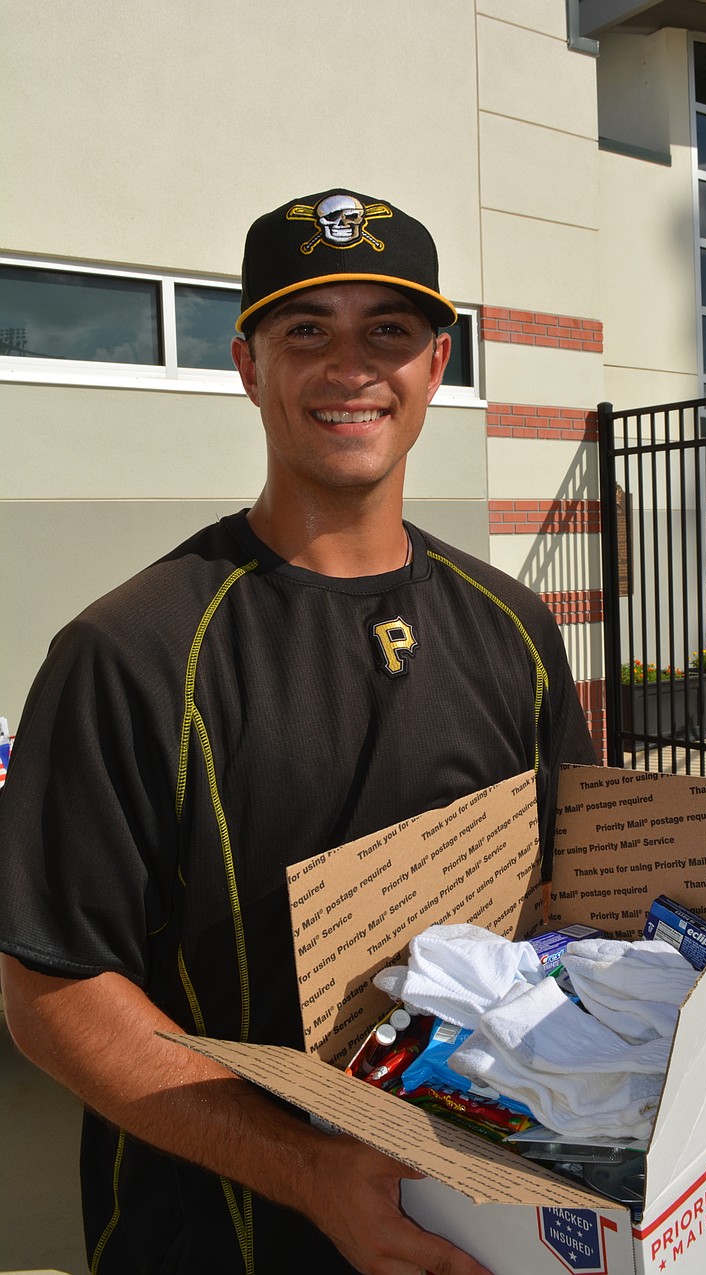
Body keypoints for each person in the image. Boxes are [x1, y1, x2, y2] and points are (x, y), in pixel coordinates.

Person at [0, 188, 597, 1274]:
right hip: (220, 1238)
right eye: (307, 331)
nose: (350, 367)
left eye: (388, 331)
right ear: (248, 366)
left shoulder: (514, 626)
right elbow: (52, 991)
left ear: (436, 364)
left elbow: (572, 897)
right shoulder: (131, 652)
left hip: (487, 1219)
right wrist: (309, 1169)